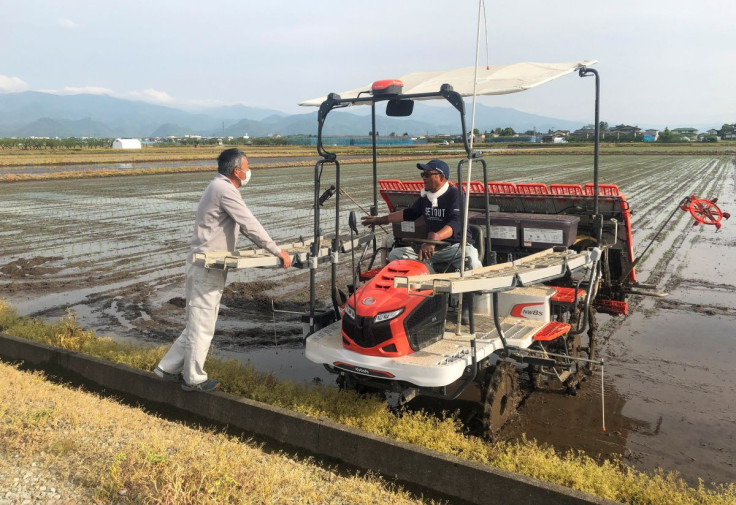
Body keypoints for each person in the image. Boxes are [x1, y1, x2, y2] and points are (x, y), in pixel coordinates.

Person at [154, 148, 291, 392]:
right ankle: (193, 379)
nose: (249, 171)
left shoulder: (219, 187)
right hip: (206, 266)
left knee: (198, 321)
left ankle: (166, 369)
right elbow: (249, 223)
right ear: (237, 171)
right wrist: (276, 251)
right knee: (202, 325)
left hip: (207, 265)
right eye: (247, 167)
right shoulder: (225, 189)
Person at [361, 158, 482, 273]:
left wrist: (435, 238)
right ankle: (420, 285)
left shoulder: (455, 195)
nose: (423, 178)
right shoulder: (425, 197)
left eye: (427, 175)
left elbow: (457, 222)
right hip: (429, 249)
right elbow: (410, 213)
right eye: (422, 175)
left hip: (453, 247)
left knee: (470, 254)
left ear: (441, 177)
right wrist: (381, 220)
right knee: (395, 255)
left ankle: (477, 290)